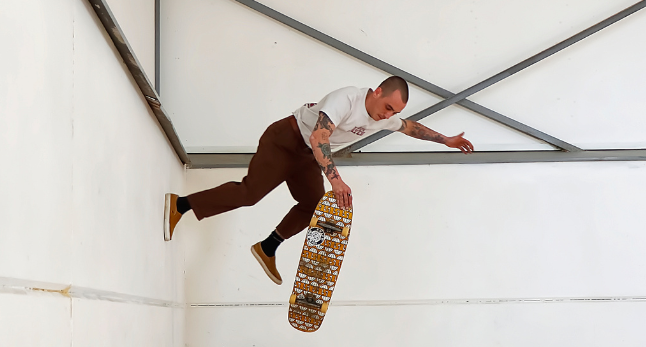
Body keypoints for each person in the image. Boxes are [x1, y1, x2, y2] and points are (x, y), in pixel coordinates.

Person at [163, 76, 474, 284]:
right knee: (250, 193)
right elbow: (319, 136)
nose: (387, 115)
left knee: (314, 206)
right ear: (376, 92)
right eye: (387, 106)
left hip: (307, 156)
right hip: (285, 140)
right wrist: (336, 179)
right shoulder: (346, 100)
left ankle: (268, 247)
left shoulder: (388, 117)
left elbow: (410, 127)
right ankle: (182, 204)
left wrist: (445, 139)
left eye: (394, 111)